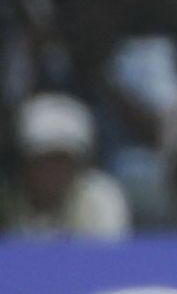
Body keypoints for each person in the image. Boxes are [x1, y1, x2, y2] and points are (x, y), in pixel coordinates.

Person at [0, 91, 131, 237]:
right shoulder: (8, 204)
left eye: (63, 160)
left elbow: (106, 257)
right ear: (25, 162)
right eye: (44, 160)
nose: (54, 170)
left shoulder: (101, 198)